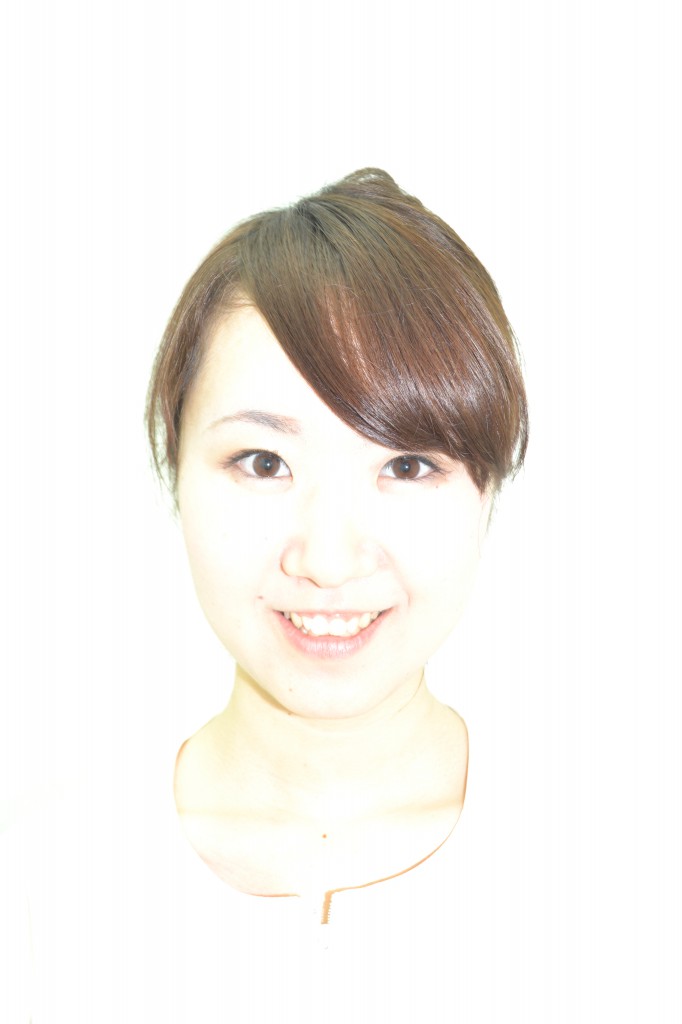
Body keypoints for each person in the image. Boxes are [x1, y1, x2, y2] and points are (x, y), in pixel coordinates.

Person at [2, 168, 528, 1022]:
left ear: (486, 488)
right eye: (263, 462)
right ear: (176, 467)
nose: (328, 559)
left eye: (406, 464)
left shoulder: (628, 872)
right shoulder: (38, 880)